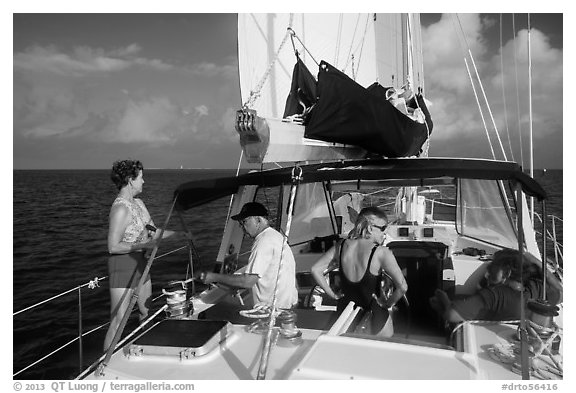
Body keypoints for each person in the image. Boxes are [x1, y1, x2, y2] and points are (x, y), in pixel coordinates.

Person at [105, 159, 184, 351]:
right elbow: (113, 246)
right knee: (118, 320)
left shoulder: (139, 203)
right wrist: (144, 244)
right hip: (123, 265)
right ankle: (104, 364)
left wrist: (180, 235)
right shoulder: (121, 208)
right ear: (130, 180)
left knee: (145, 310)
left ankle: (145, 348)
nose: (144, 181)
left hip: (141, 263)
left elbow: (153, 231)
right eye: (141, 177)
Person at [311, 207, 407, 337]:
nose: (384, 233)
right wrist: (387, 304)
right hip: (376, 318)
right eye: (383, 228)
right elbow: (402, 287)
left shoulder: (340, 246)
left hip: (346, 318)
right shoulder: (381, 252)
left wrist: (332, 295)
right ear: (369, 228)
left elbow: (315, 269)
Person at [198, 202, 298, 309]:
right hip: (289, 304)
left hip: (274, 310)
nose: (242, 227)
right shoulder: (276, 236)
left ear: (258, 220)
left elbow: (248, 282)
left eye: (244, 222)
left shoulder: (263, 242)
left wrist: (214, 277)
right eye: (240, 224)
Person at [430, 248, 562, 324]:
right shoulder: (539, 289)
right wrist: (534, 260)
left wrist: (444, 300)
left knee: (437, 302)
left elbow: (451, 315)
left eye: (493, 267)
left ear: (507, 272)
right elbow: (560, 291)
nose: (487, 274)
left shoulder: (495, 295)